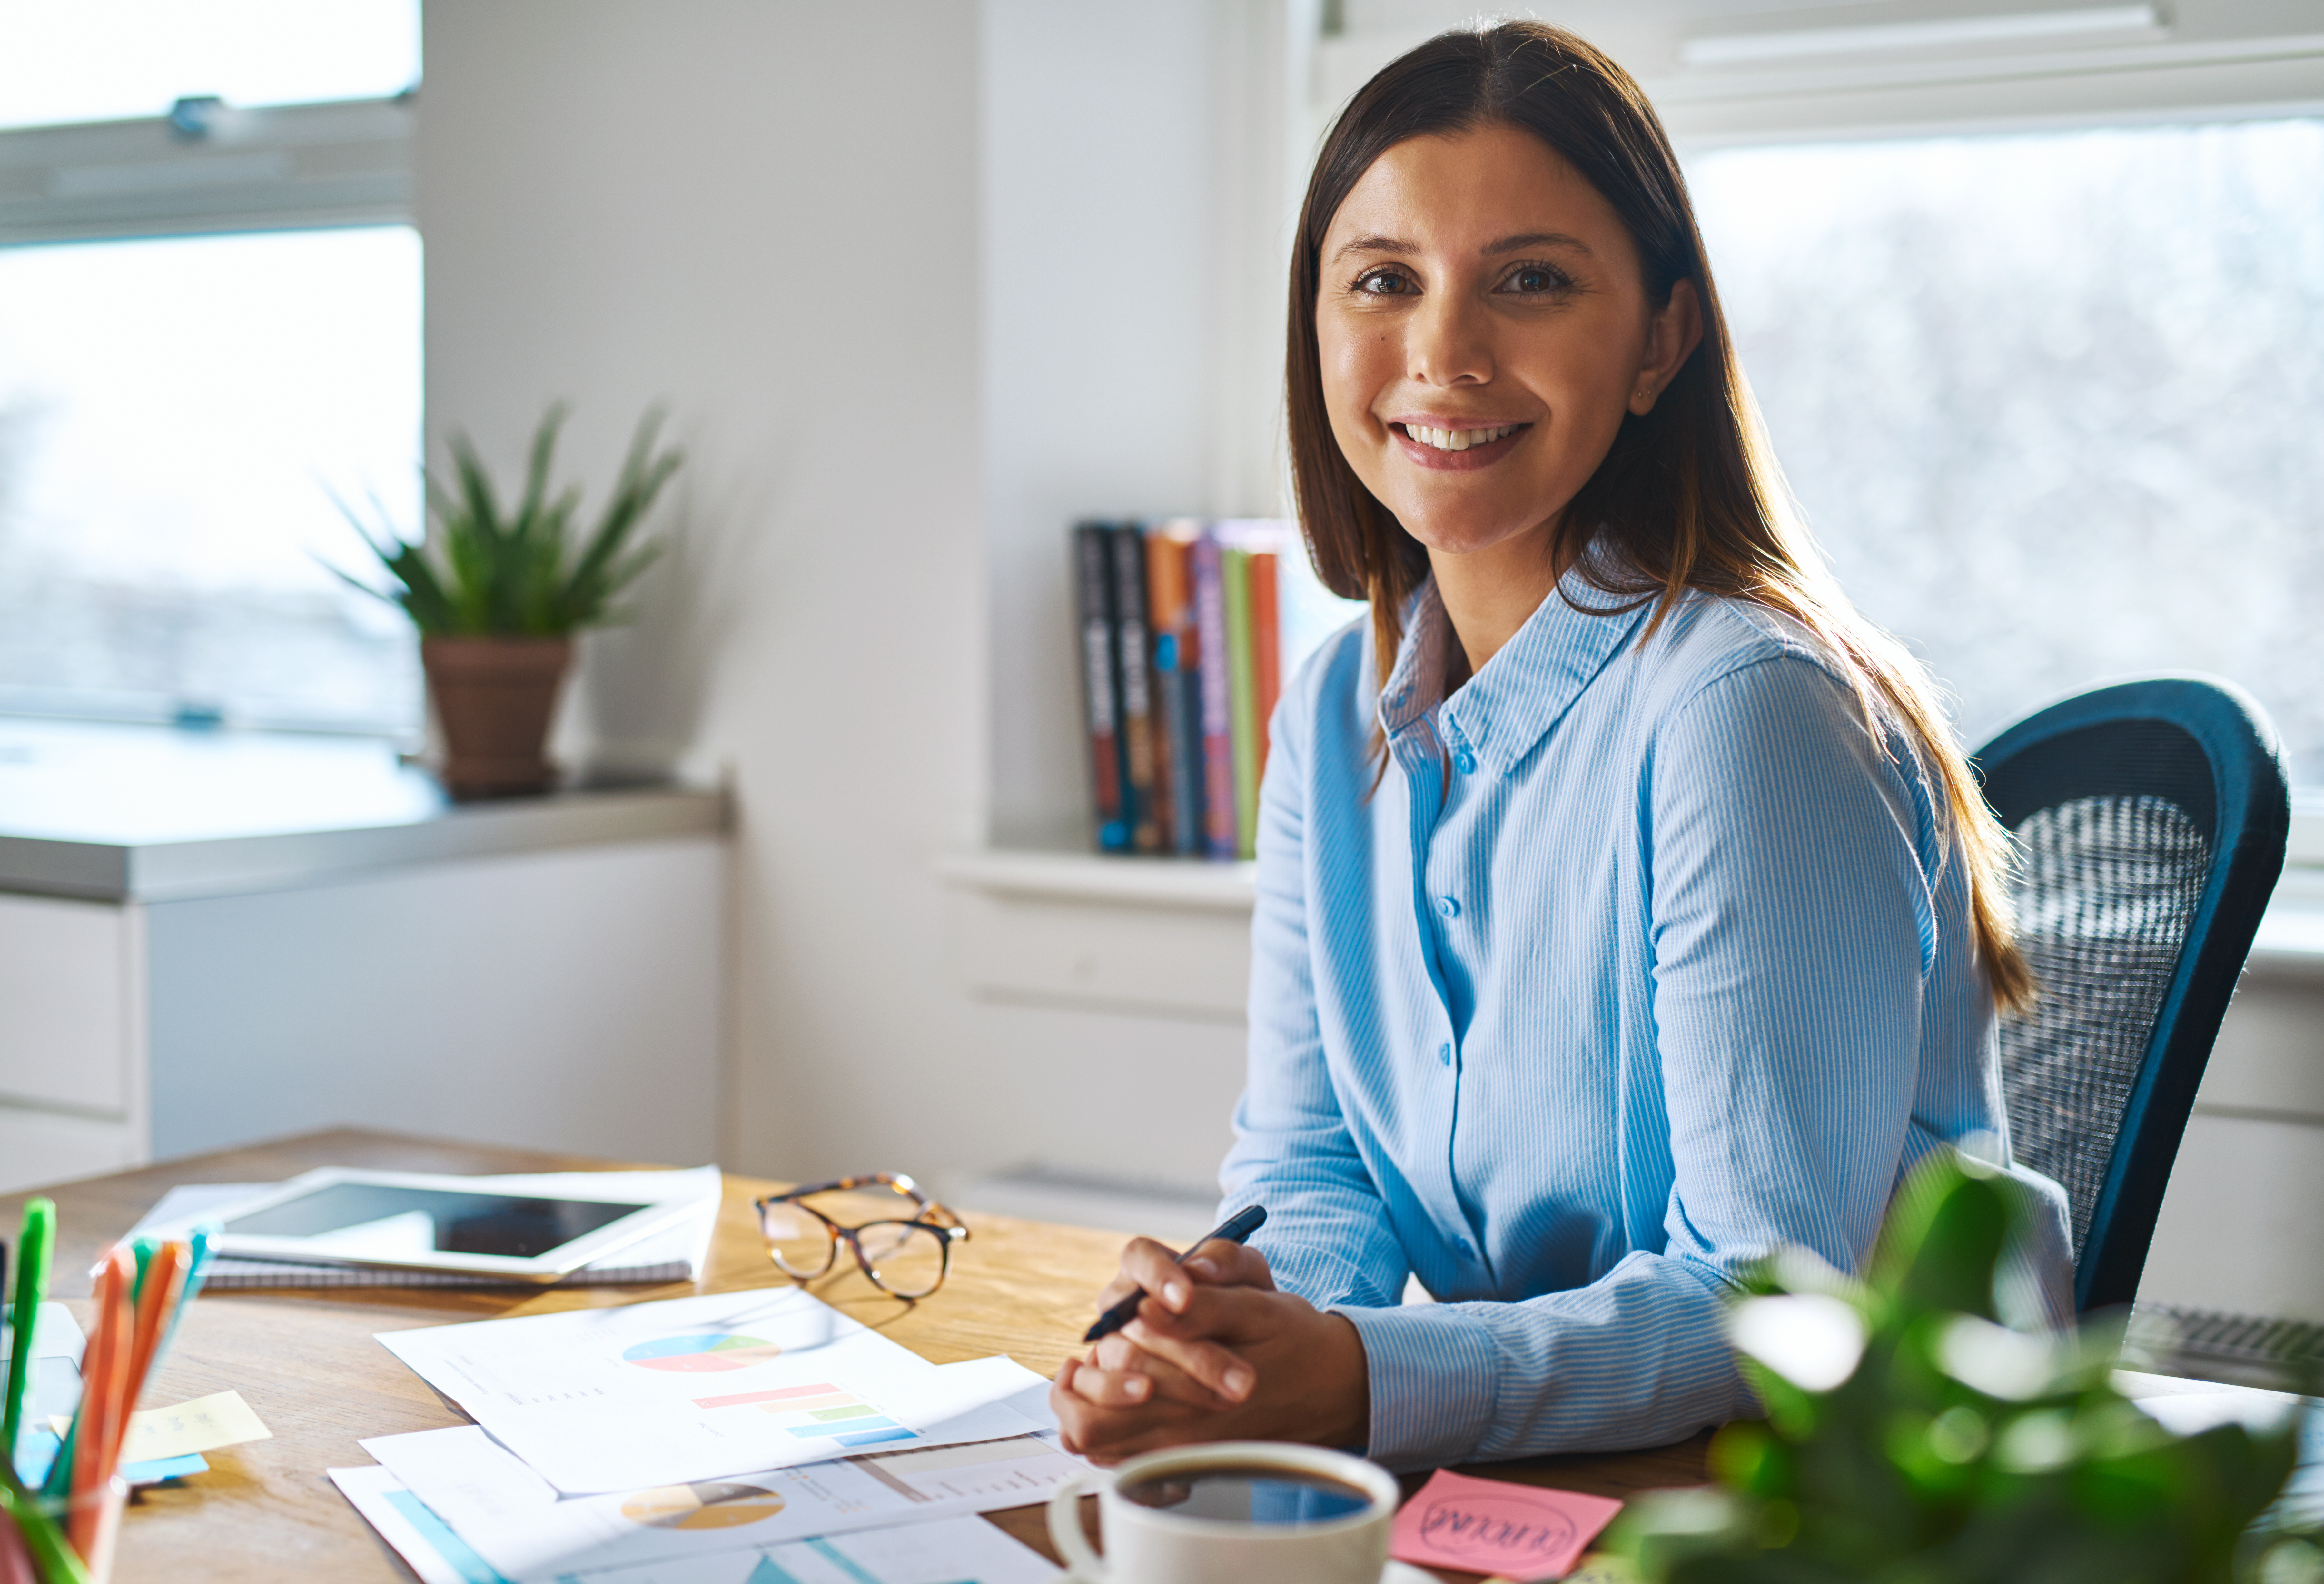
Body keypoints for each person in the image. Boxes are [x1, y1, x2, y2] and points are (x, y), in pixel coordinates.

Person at [1048, 20, 2076, 1472]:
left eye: (1529, 281)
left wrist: (1353, 1374)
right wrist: (1222, 1342)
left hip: (1850, 1497)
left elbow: (1770, 1306)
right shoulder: (1331, 708)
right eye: (1383, 282)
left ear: (1659, 337)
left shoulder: (1744, 707)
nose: (1443, 352)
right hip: (1557, 1475)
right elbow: (1309, 1171)